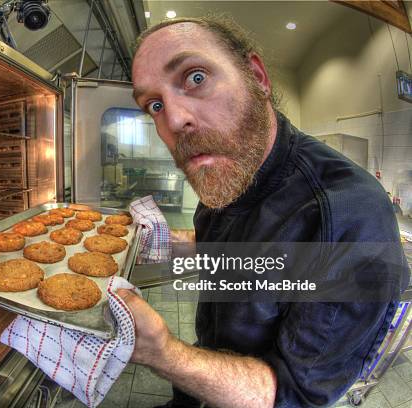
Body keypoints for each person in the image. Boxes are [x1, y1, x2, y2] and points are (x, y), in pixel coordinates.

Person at [116, 15, 410, 407]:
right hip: (205, 381)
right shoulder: (229, 168)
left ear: (256, 76)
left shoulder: (348, 215)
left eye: (195, 78)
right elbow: (222, 249)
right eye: (153, 104)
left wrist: (160, 351)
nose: (173, 119)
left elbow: (294, 395)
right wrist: (161, 243)